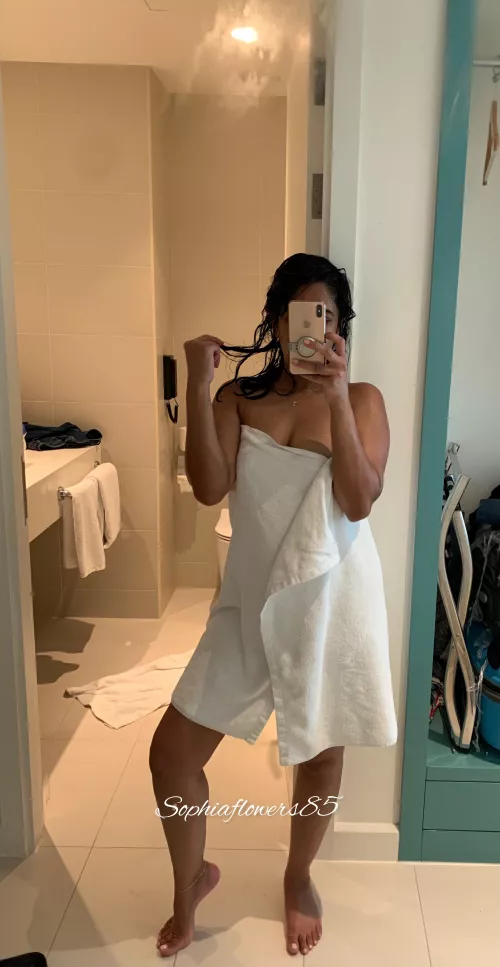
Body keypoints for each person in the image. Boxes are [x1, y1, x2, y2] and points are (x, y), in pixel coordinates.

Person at [149, 253, 397, 958]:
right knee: (170, 756)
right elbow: (207, 488)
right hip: (249, 603)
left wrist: (337, 398)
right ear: (277, 322)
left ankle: (297, 876)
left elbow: (359, 500)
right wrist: (199, 383)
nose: (311, 332)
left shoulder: (364, 399)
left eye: (327, 318)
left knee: (319, 759)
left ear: (341, 327)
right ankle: (190, 880)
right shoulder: (238, 398)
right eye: (299, 317)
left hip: (327, 604)